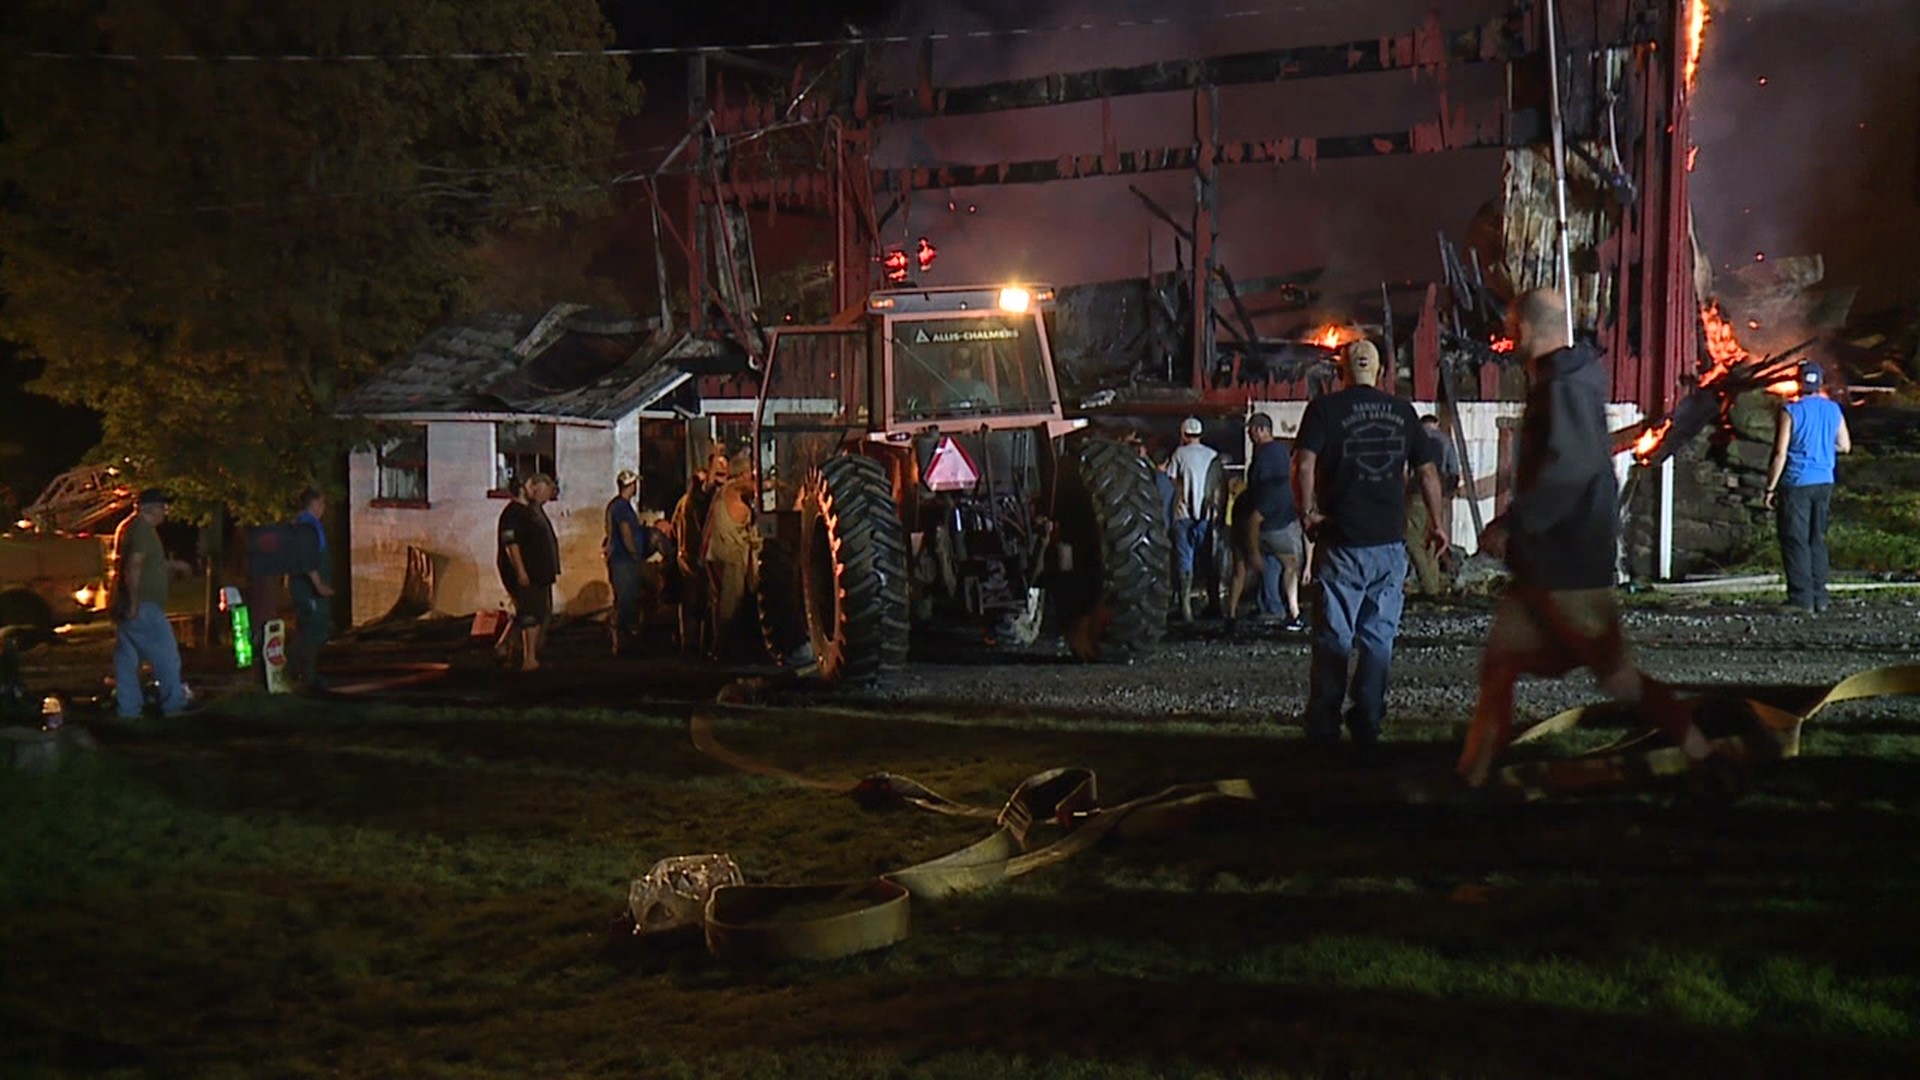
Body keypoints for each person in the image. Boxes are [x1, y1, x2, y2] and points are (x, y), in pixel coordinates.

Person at [1456, 289, 1711, 787]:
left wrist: (1513, 523)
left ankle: (1703, 754)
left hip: (1569, 564)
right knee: (1499, 667)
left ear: (1527, 328)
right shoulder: (1562, 382)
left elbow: (1568, 469)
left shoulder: (1563, 390)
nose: (1509, 336)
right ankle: (1472, 776)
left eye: (1512, 325)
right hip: (1545, 563)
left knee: (1617, 677)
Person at [1293, 340, 1448, 751]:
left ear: (1341, 371)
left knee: (1334, 637)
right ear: (1380, 372)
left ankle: (1324, 726)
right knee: (1379, 637)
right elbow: (1428, 472)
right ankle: (1368, 720)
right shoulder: (1403, 412)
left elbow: (1304, 462)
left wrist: (1306, 511)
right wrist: (1438, 524)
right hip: (1389, 543)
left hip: (1342, 540)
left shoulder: (1325, 409)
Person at [1764, 360, 1850, 614]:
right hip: (1824, 482)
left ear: (1798, 383)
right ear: (1821, 383)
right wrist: (1822, 450)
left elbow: (1780, 453)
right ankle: (1820, 596)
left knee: (1795, 539)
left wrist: (1770, 487)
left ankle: (1801, 599)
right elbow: (1845, 446)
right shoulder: (1834, 410)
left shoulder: (1790, 411)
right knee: (1817, 539)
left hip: (1796, 483)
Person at [109, 488, 189, 719]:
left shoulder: (127, 527)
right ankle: (173, 706)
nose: (165, 511)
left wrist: (173, 567)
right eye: (163, 507)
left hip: (127, 604)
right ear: (151, 508)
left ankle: (129, 710)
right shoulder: (143, 531)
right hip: (143, 606)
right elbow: (134, 566)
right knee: (166, 656)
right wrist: (135, 603)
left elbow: (142, 564)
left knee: (127, 659)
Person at [1225, 412, 1307, 634]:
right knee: (1284, 565)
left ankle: (1238, 614)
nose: (1250, 436)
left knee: (1244, 568)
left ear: (1261, 430)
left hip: (1264, 519)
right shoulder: (1280, 454)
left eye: (1251, 431)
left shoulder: (1264, 460)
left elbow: (1256, 508)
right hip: (1277, 519)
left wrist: (1254, 552)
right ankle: (1283, 610)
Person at [497, 472, 560, 672]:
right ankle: (529, 659)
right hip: (528, 573)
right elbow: (511, 545)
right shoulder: (513, 513)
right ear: (532, 487)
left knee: (534, 611)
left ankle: (505, 647)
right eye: (544, 494)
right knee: (532, 614)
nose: (545, 499)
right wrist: (521, 572)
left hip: (539, 572)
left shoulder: (532, 511)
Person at [703, 453, 762, 660]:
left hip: (722, 554)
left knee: (723, 603)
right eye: (750, 472)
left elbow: (708, 525)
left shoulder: (721, 495)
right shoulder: (732, 489)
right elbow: (753, 487)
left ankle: (721, 647)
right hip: (731, 556)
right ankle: (721, 651)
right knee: (730, 605)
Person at [671, 450, 729, 657]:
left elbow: (672, 529)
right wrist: (714, 458)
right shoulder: (696, 500)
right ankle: (695, 646)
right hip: (695, 558)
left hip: (687, 556)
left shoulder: (683, 502)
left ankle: (689, 643)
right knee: (700, 605)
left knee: (692, 604)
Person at [1166, 416, 1223, 623]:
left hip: (1183, 515)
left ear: (1183, 434)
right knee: (1209, 559)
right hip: (1207, 517)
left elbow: (1172, 480)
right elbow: (1218, 486)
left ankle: (1186, 609)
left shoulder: (1179, 454)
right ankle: (1215, 604)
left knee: (1184, 559)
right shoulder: (1213, 455)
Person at [1404, 415, 1461, 598]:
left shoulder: (1415, 438)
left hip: (1416, 492)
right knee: (1431, 540)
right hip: (1439, 495)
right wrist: (1446, 495)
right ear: (1436, 424)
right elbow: (1454, 471)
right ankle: (1434, 584)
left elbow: (1405, 469)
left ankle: (1429, 587)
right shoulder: (1446, 441)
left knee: (1412, 539)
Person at [287, 487, 335, 690]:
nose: (323, 508)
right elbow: (307, 561)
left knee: (311, 630)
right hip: (309, 592)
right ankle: (289, 668)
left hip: (304, 589)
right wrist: (319, 585)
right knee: (313, 632)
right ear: (314, 503)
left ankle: (306, 676)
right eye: (322, 503)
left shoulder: (300, 524)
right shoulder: (308, 526)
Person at [605, 469, 645, 656]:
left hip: (620, 558)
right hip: (624, 560)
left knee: (624, 599)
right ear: (630, 485)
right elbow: (625, 530)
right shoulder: (622, 507)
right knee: (626, 599)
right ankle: (619, 641)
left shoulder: (617, 505)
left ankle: (620, 640)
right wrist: (634, 552)